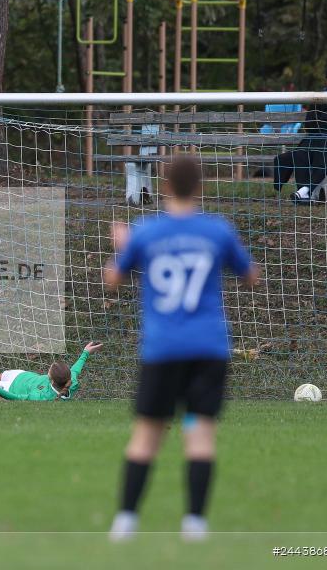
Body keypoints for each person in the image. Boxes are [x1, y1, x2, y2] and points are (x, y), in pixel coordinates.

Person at [104, 156, 260, 541]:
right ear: (201, 188)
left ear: (165, 186)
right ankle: (195, 523)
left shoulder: (145, 231)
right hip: (209, 346)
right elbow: (251, 276)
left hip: (163, 348)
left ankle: (126, 521)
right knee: (200, 433)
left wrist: (120, 246)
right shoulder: (217, 230)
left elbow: (113, 280)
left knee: (147, 435)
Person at [270, 65, 327, 204]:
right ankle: (305, 195)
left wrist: (326, 123)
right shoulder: (319, 98)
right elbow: (310, 123)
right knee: (300, 153)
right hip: (317, 138)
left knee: (326, 151)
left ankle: (306, 191)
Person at [0, 341, 103, 401]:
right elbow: (75, 370)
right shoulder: (70, 381)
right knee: (1, 375)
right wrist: (85, 352)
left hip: (8, 391)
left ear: (51, 380)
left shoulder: (41, 397)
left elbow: (17, 398)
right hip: (20, 376)